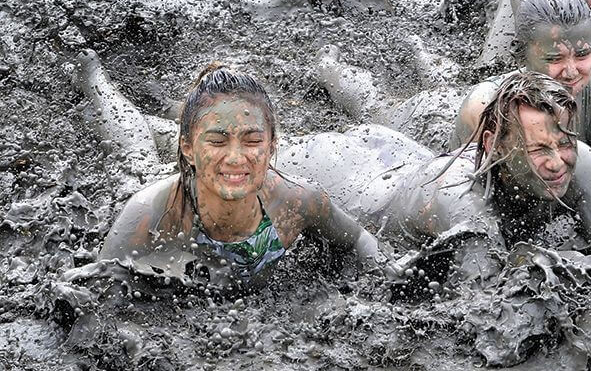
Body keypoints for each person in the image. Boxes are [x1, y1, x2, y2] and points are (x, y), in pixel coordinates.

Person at [277, 72, 591, 283]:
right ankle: (328, 67)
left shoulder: (577, 159)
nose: (559, 162)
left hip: (407, 156)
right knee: (265, 155)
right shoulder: (462, 197)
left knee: (384, 110)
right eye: (539, 150)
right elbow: (490, 296)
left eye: (564, 143)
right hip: (352, 181)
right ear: (493, 143)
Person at [76, 51, 384, 290]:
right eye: (218, 141)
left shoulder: (296, 203)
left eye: (252, 141)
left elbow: (359, 239)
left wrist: (383, 282)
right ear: (187, 148)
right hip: (153, 187)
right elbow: (97, 293)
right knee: (134, 155)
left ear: (272, 145)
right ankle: (95, 81)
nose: (236, 158)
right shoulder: (150, 216)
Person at [451, 0, 591, 173]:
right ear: (521, 56)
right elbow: (468, 193)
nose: (571, 72)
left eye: (582, 54)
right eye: (554, 58)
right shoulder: (483, 108)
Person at [314, 35, 464, 153]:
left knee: (448, 85)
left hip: (459, 100)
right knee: (373, 104)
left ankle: (419, 50)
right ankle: (327, 67)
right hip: (426, 120)